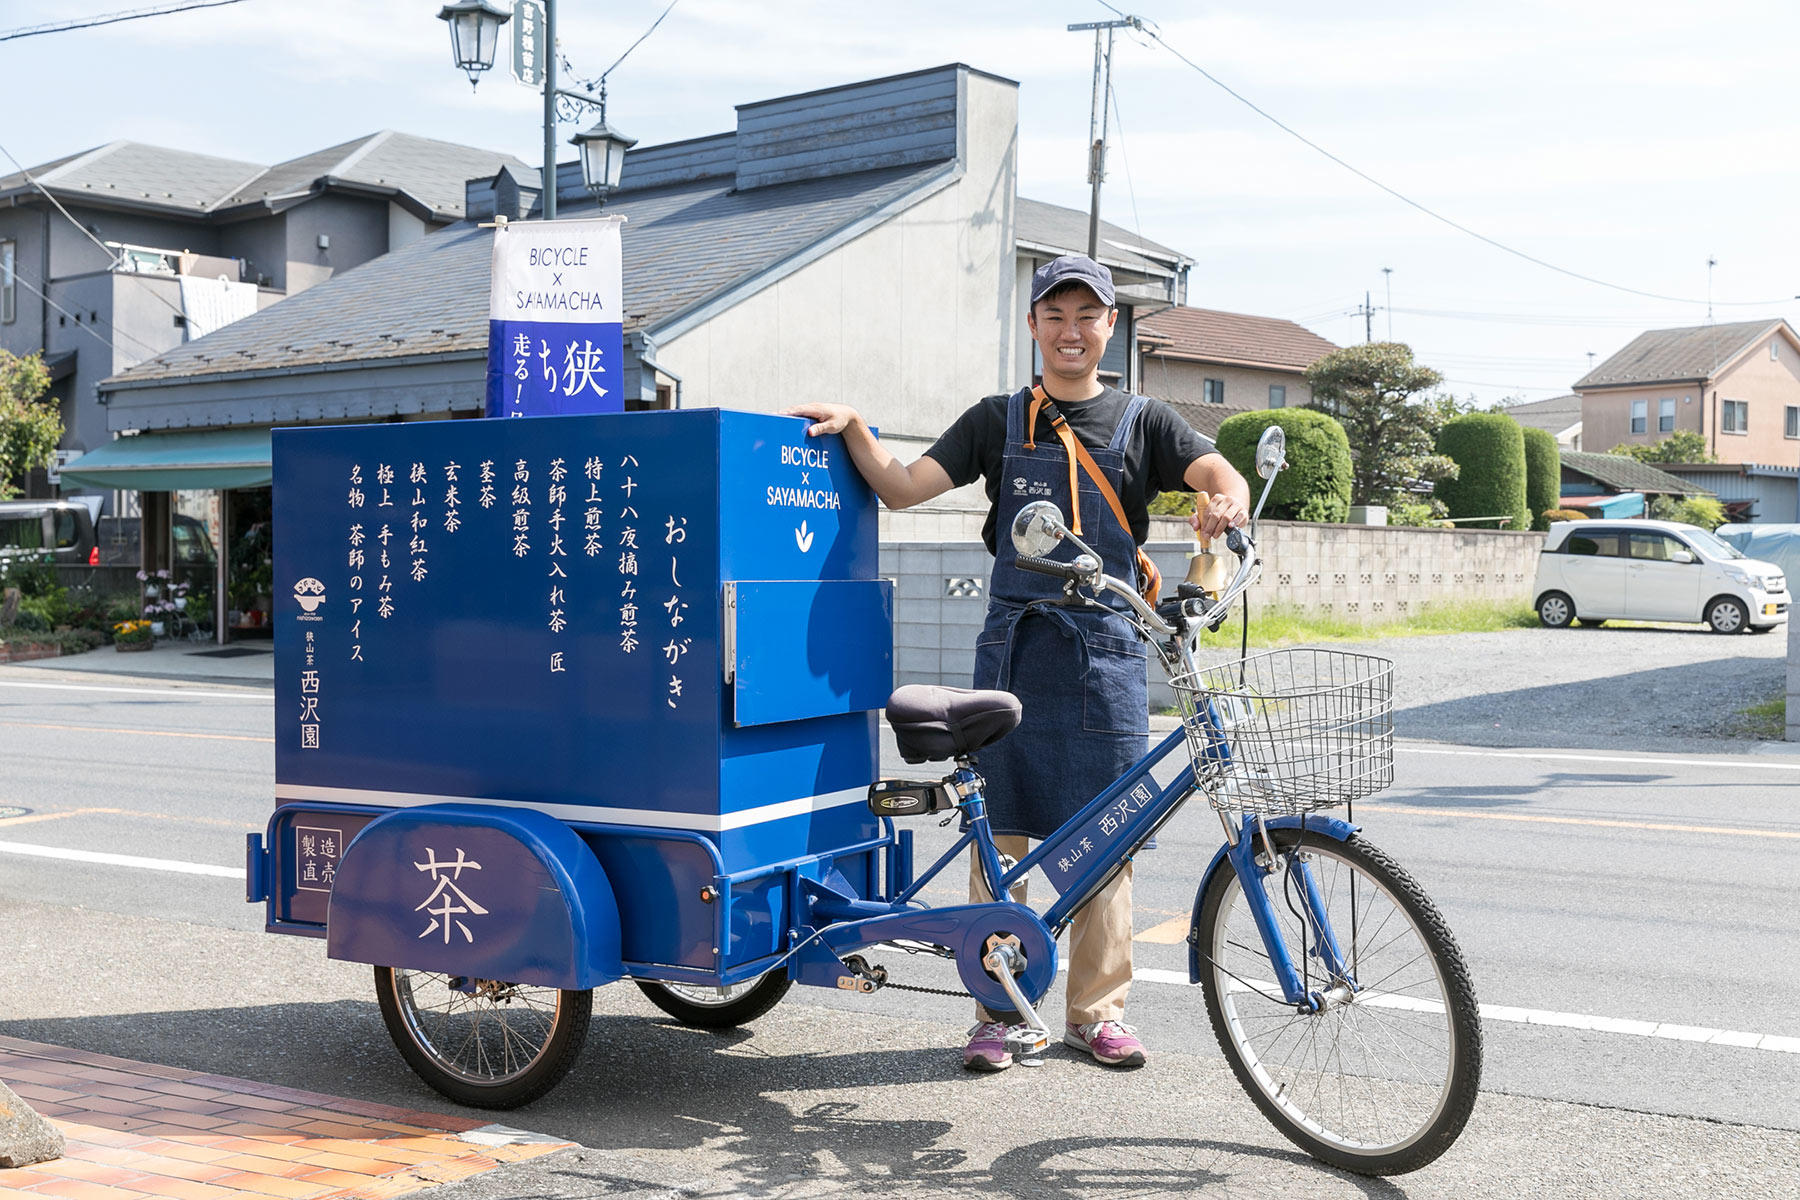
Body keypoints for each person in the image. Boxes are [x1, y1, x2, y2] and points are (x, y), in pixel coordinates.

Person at [787, 254, 1249, 1072]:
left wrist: (1225, 497)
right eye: (1055, 316)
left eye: (1087, 316)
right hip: (1014, 649)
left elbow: (1214, 470)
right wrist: (857, 427)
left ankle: (1096, 1015)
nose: (1072, 332)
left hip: (1106, 654)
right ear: (1033, 325)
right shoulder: (996, 420)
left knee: (1109, 841)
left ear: (1111, 326)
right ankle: (998, 1013)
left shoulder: (1144, 420)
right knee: (995, 838)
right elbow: (902, 487)